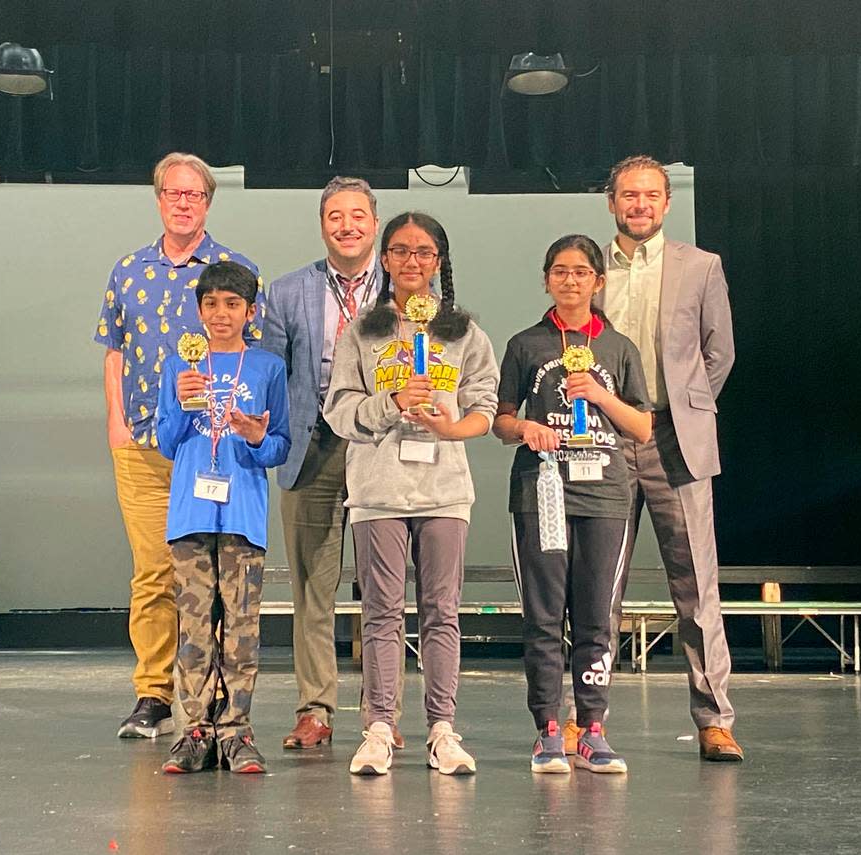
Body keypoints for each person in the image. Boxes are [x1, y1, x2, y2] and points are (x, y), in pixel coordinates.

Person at [94, 152, 263, 739]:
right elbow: (113, 350)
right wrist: (116, 420)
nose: (183, 202)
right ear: (159, 198)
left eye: (195, 194)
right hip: (142, 443)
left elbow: (257, 356)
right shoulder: (128, 270)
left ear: (208, 202)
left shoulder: (235, 269)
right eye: (174, 192)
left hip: (213, 451)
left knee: (214, 576)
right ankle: (154, 694)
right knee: (152, 573)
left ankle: (214, 694)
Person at [323, 212, 499, 776]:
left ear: (439, 261)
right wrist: (393, 401)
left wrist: (451, 427)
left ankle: (442, 730)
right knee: (380, 613)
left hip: (444, 490)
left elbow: (485, 409)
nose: (412, 262)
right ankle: (379, 727)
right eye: (400, 251)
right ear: (385, 259)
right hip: (378, 491)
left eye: (424, 252)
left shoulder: (464, 334)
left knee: (441, 612)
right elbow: (340, 412)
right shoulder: (361, 333)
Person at [591, 154, 742, 762]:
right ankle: (587, 718)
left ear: (667, 202)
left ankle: (714, 719)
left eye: (652, 195)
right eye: (629, 195)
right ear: (611, 201)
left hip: (674, 441)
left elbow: (719, 355)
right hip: (599, 438)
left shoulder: (701, 267)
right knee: (598, 585)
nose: (641, 205)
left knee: (696, 586)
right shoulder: (588, 267)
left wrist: (675, 413)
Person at [494, 235, 651, 774]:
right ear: (546, 279)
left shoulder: (619, 347)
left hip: (607, 494)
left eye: (581, 272)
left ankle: (593, 728)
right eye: (559, 271)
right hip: (542, 493)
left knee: (596, 619)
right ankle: (548, 730)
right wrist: (526, 428)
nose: (570, 281)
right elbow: (500, 421)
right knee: (542, 615)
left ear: (598, 282)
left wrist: (601, 396)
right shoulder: (525, 344)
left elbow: (643, 426)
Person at [261, 177, 406, 752]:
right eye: (334, 217)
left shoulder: (401, 292)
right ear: (322, 225)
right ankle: (315, 710)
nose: (346, 226)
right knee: (311, 592)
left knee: (382, 591)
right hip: (312, 449)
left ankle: (380, 714)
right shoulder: (288, 290)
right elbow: (273, 374)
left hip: (379, 445)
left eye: (358, 216)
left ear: (375, 222)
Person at [154, 261, 289, 774]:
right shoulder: (179, 368)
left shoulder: (267, 368)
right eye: (211, 304)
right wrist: (187, 404)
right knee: (193, 627)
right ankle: (193, 730)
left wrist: (254, 435)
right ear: (199, 311)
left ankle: (235, 730)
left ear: (249, 312)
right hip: (190, 512)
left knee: (241, 628)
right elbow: (166, 442)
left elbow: (278, 446)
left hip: (243, 514)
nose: (221, 313)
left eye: (232, 304)